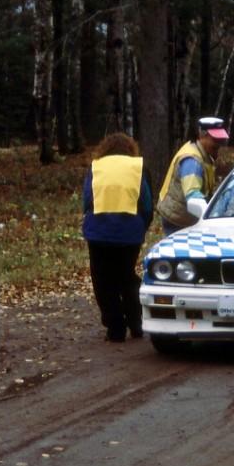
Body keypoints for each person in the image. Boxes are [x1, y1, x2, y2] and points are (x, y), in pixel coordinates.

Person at [82, 133, 153, 342]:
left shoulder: (96, 167)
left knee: (103, 281)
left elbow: (87, 200)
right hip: (130, 232)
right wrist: (142, 226)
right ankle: (136, 322)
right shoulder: (137, 168)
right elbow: (147, 203)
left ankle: (115, 328)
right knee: (127, 277)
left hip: (98, 232)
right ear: (131, 148)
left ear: (105, 148)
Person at [157, 116, 230, 234]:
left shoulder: (200, 152)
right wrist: (209, 215)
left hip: (182, 216)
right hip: (179, 220)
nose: (219, 144)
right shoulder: (192, 161)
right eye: (215, 139)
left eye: (220, 139)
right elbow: (193, 196)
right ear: (202, 135)